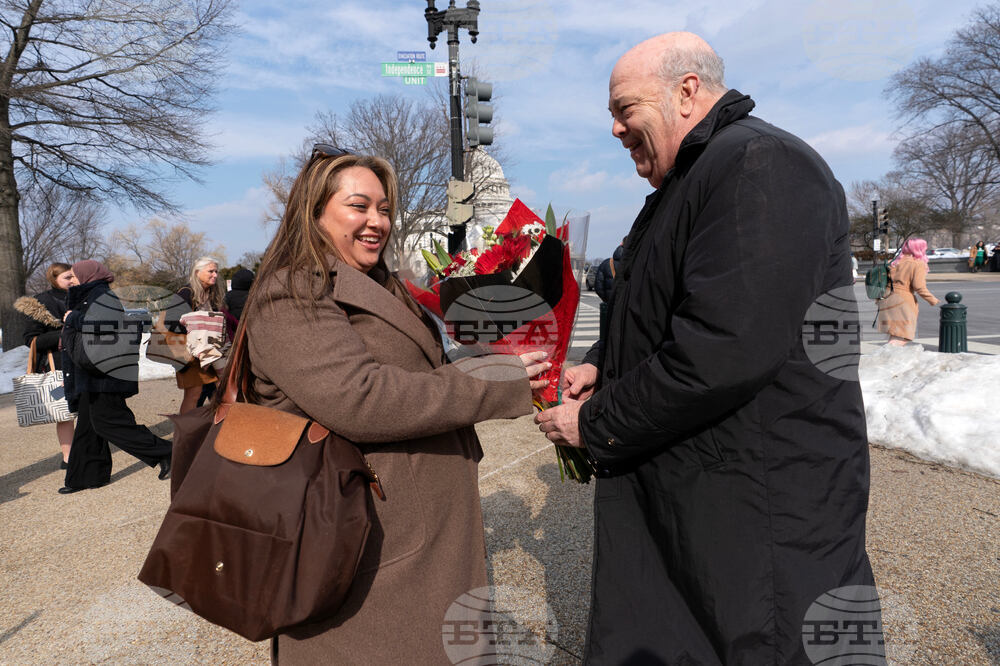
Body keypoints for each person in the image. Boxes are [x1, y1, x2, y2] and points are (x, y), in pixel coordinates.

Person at [534, 33, 878, 663]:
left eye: (623, 108)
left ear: (686, 91)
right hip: (708, 495)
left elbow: (725, 346)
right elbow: (660, 304)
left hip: (758, 504)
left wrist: (597, 422)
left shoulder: (759, 164)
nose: (614, 129)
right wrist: (600, 366)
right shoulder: (693, 177)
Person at [239, 146, 548, 663]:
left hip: (412, 523)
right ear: (312, 213)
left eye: (384, 209)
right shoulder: (292, 292)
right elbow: (361, 398)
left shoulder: (379, 283)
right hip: (363, 532)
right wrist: (496, 382)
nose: (376, 221)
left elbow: (420, 374)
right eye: (358, 206)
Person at [59, 260, 173, 493]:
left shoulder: (101, 294)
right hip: (93, 373)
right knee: (88, 428)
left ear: (87, 275)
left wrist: (72, 318)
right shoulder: (90, 294)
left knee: (111, 424)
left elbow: (105, 324)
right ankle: (87, 476)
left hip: (103, 373)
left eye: (74, 276)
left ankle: (171, 454)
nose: (72, 280)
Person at [15, 263, 79, 467]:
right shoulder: (40, 303)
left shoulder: (82, 297)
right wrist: (64, 333)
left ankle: (88, 451)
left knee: (90, 409)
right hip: (57, 366)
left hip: (84, 361)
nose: (72, 280)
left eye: (73, 276)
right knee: (64, 412)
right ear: (54, 279)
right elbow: (31, 340)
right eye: (67, 277)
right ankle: (68, 458)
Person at [174, 256, 233, 413]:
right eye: (211, 271)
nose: (215, 275)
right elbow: (170, 323)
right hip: (190, 354)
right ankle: (185, 432)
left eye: (216, 272)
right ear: (198, 272)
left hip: (212, 352)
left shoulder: (213, 295)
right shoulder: (186, 293)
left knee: (219, 391)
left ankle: (217, 428)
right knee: (193, 394)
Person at [878, 238, 940, 346]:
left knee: (895, 333)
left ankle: (890, 358)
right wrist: (933, 300)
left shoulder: (892, 262)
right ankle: (884, 355)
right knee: (905, 336)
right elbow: (919, 286)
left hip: (886, 298)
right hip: (902, 300)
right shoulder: (917, 264)